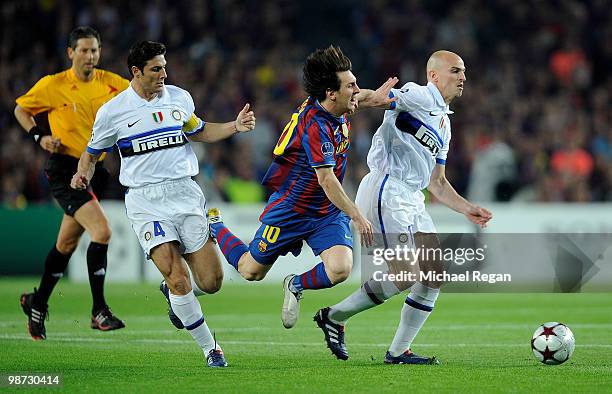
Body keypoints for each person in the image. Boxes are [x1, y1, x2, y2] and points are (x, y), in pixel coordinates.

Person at [71, 40, 255, 368]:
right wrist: (82, 174)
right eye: (156, 69)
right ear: (136, 72)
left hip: (185, 194)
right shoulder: (113, 111)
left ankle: (174, 297)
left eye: (164, 67)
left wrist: (234, 127)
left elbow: (198, 131)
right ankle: (210, 347)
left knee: (211, 282)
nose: (164, 74)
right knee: (177, 274)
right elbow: (91, 152)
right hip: (145, 200)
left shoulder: (179, 98)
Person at [314, 50, 493, 364]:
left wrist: (466, 208)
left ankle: (398, 351)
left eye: (464, 72)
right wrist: (361, 97)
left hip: (412, 197)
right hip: (388, 188)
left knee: (433, 275)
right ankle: (335, 316)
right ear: (434, 75)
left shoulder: (444, 125)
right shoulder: (419, 95)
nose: (462, 77)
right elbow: (379, 98)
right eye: (455, 71)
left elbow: (437, 182)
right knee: (407, 273)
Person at [207, 45, 397, 329]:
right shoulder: (315, 126)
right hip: (292, 210)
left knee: (341, 268)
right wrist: (357, 215)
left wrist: (376, 97)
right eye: (351, 86)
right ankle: (215, 226)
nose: (357, 90)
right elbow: (326, 179)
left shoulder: (339, 102)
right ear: (331, 93)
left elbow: (364, 96)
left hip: (326, 212)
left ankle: (295, 283)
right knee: (250, 271)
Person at [15, 26, 129, 341]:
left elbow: (139, 95)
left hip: (97, 170)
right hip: (66, 169)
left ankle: (36, 302)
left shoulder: (111, 83)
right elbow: (21, 109)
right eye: (84, 50)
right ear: (70, 52)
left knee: (66, 244)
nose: (90, 56)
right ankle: (99, 310)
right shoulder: (54, 85)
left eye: (95, 50)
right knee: (102, 231)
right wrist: (39, 136)